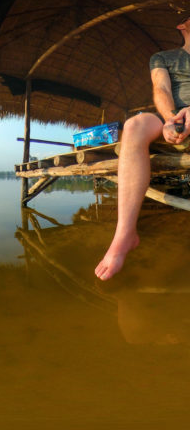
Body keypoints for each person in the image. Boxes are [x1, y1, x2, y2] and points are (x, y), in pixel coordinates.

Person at [95, 15, 190, 281]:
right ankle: (125, 235)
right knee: (136, 124)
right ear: (181, 25)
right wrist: (171, 118)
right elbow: (160, 88)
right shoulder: (163, 57)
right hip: (171, 118)